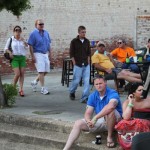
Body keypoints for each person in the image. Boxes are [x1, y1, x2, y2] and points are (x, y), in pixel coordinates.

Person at [63, 75, 122, 150]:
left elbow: (111, 106)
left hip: (116, 121)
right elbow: (88, 113)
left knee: (110, 111)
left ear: (105, 83)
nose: (98, 86)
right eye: (96, 84)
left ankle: (109, 137)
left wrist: (95, 117)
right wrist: (88, 121)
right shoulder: (92, 96)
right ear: (94, 85)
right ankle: (66, 148)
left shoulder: (113, 93)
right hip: (102, 120)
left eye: (100, 83)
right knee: (78, 123)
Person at [115, 83, 150, 150]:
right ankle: (126, 145)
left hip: (147, 121)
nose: (142, 92)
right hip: (133, 122)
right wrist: (130, 102)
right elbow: (125, 117)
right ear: (134, 93)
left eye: (143, 90)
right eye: (140, 90)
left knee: (140, 122)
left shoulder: (148, 100)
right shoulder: (127, 102)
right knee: (122, 123)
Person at [28, 19, 51, 95]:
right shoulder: (33, 33)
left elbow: (48, 43)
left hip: (45, 54)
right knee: (41, 71)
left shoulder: (46, 33)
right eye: (40, 24)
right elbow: (30, 45)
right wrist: (32, 56)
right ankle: (43, 88)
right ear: (36, 25)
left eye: (42, 24)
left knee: (46, 70)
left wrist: (50, 53)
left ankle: (34, 82)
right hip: (37, 53)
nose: (41, 25)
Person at [4, 26, 28, 96]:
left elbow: (27, 47)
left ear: (20, 32)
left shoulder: (22, 39)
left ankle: (21, 90)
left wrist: (23, 41)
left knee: (22, 74)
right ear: (14, 31)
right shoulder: (11, 39)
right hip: (14, 58)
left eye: (19, 30)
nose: (17, 32)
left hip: (22, 58)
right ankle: (13, 88)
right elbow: (6, 48)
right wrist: (10, 53)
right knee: (17, 74)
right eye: (16, 30)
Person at [69, 26, 91, 103]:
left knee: (86, 81)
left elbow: (88, 53)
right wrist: (74, 62)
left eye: (85, 32)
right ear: (78, 32)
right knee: (76, 80)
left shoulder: (87, 41)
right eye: (82, 32)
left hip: (86, 64)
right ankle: (72, 91)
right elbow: (71, 54)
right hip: (78, 64)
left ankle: (84, 97)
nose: (84, 33)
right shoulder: (74, 41)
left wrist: (88, 61)